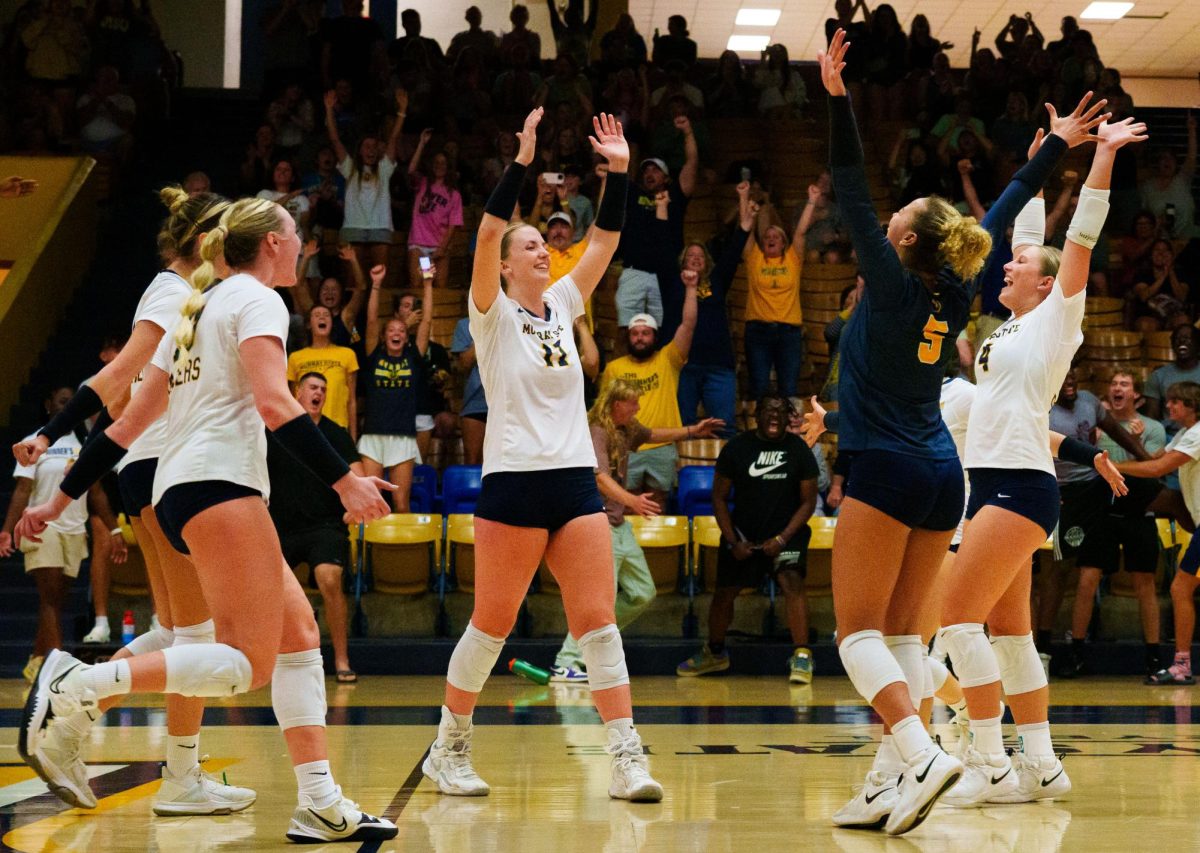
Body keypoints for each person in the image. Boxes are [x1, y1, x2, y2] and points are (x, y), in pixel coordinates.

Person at [13, 196, 397, 843]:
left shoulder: (195, 310)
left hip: (180, 488)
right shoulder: (255, 301)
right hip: (220, 485)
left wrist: (57, 499)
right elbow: (277, 402)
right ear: (271, 243)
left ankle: (320, 801)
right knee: (247, 662)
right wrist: (345, 480)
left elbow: (127, 422)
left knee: (299, 631)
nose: (302, 242)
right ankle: (81, 682)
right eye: (295, 232)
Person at [803, 31, 1095, 836]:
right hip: (942, 474)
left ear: (901, 242)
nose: (886, 214)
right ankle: (891, 780)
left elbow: (853, 188)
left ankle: (920, 748)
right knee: (903, 631)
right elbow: (996, 217)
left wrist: (835, 99)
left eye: (897, 216)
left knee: (856, 632)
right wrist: (1049, 156)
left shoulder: (895, 286)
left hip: (889, 468)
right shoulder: (958, 287)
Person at [424, 108, 664, 803]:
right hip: (513, 485)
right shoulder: (490, 312)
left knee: (598, 622)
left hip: (571, 484)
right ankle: (450, 746)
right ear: (505, 265)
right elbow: (490, 230)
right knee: (491, 625)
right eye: (529, 246)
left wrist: (618, 171)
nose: (541, 252)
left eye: (542, 246)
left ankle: (626, 758)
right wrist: (522, 163)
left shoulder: (562, 300)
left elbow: (606, 239)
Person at [8, 188, 265, 817]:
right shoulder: (174, 291)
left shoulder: (201, 296)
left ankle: (119, 743)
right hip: (161, 466)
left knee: (179, 632)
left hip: (158, 467)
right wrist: (50, 432)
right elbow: (120, 375)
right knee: (198, 636)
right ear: (205, 240)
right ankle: (82, 697)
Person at [938, 109, 1146, 808]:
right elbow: (1030, 229)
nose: (1010, 261)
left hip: (1018, 491)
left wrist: (1102, 156)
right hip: (1000, 482)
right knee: (1010, 634)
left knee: (957, 619)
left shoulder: (1059, 315)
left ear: (1046, 281)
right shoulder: (1009, 327)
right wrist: (1043, 157)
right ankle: (1044, 763)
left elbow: (1079, 231)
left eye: (1021, 263)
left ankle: (990, 764)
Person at [552, 380, 722, 681]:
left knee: (643, 592)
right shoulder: (597, 431)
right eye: (632, 403)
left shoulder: (626, 429)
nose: (638, 408)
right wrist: (632, 500)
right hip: (598, 522)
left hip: (620, 526)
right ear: (616, 404)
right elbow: (599, 477)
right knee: (600, 599)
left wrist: (692, 431)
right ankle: (567, 660)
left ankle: (592, 643)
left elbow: (654, 435)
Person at [677, 394, 819, 683]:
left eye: (781, 412)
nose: (774, 416)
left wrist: (782, 539)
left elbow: (808, 502)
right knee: (723, 593)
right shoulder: (737, 448)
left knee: (791, 581)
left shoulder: (799, 450)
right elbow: (718, 497)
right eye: (768, 410)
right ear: (756, 415)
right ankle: (715, 653)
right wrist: (733, 541)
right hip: (743, 536)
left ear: (789, 417)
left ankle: (802, 656)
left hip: (786, 535)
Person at [1, 388, 124, 682]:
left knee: (57, 601)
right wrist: (7, 530)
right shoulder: (33, 442)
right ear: (48, 405)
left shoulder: (84, 445)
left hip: (74, 529)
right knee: (51, 598)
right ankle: (58, 674)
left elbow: (95, 492)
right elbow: (22, 490)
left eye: (72, 400)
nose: (68, 403)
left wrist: (115, 528)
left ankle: (36, 658)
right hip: (43, 529)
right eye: (62, 400)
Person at [1071, 370, 1167, 680]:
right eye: (1113, 383)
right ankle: (1076, 652)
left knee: (1145, 582)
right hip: (1102, 511)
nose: (1117, 388)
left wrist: (1133, 443)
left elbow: (1153, 471)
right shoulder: (1095, 426)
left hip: (1138, 512)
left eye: (1124, 384)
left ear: (1137, 395)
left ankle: (1153, 656)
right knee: (1087, 579)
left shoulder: (1152, 428)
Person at [268, 372, 362, 683]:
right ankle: (261, 658)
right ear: (297, 392)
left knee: (329, 576)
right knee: (262, 585)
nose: (318, 393)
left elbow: (358, 476)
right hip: (280, 529)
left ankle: (342, 659)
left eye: (323, 389)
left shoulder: (336, 435)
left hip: (325, 527)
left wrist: (354, 506)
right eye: (312, 387)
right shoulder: (274, 431)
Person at [1115, 382, 1200, 685]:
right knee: (1181, 589)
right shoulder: (1183, 434)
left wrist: (1110, 465)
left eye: (1177, 402)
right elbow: (1151, 461)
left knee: (1180, 589)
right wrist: (1132, 444)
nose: (1169, 406)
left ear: (1192, 405)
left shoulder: (1197, 434)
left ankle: (1182, 664)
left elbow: (1157, 470)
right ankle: (1182, 664)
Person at [665, 182, 756, 437]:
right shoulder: (673, 282)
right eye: (690, 255)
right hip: (684, 366)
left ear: (707, 263)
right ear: (682, 261)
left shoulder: (717, 280)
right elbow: (666, 239)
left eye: (700, 256)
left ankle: (725, 476)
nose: (695, 258)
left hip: (718, 366)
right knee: (682, 427)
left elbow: (737, 244)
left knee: (724, 427)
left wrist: (743, 198)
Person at [599, 282, 699, 513]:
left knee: (658, 503)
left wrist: (692, 287)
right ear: (628, 337)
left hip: (662, 445)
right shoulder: (614, 368)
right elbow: (606, 411)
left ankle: (657, 550)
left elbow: (688, 325)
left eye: (645, 333)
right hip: (626, 447)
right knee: (624, 503)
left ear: (654, 336)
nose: (640, 338)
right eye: (635, 334)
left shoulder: (668, 360)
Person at [358, 264, 432, 511]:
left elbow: (427, 321)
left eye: (401, 330)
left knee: (401, 503)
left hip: (403, 436)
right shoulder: (374, 356)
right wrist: (376, 284)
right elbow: (370, 320)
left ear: (406, 336)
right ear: (383, 336)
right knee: (373, 502)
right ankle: (370, 550)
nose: (396, 333)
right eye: (391, 330)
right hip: (372, 436)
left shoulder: (413, 357)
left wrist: (428, 283)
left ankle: (407, 550)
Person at [614, 126, 698, 328]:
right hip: (634, 270)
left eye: (656, 169)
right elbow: (619, 173)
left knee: (665, 329)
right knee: (626, 328)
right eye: (646, 170)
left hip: (667, 274)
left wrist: (687, 132)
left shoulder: (676, 195)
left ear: (667, 177)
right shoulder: (634, 194)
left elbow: (692, 162)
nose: (649, 173)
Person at [324, 87, 406, 271]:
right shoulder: (350, 167)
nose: (370, 150)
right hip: (353, 226)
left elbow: (393, 139)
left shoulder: (384, 169)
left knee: (378, 277)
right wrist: (329, 109)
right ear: (359, 150)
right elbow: (335, 139)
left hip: (381, 226)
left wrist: (402, 112)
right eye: (366, 146)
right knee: (354, 280)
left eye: (374, 147)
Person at [742, 194, 807, 399]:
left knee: (788, 390)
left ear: (783, 243)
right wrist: (743, 197)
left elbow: (801, 232)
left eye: (776, 237)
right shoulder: (755, 259)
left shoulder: (792, 259)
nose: (771, 239)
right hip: (758, 332)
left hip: (789, 333)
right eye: (767, 237)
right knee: (760, 388)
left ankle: (789, 430)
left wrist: (812, 201)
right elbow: (745, 231)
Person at [287, 306, 359, 436]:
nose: (322, 317)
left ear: (332, 322)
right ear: (309, 324)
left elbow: (352, 401)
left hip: (338, 428)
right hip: (306, 429)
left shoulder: (347, 354)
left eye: (326, 315)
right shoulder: (295, 358)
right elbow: (293, 400)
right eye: (317, 315)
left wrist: (352, 437)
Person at [408, 129, 464, 290]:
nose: (440, 166)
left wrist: (442, 248)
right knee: (420, 285)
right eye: (436, 163)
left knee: (439, 288)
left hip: (439, 247)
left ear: (448, 167)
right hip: (420, 245)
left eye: (443, 163)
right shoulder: (422, 184)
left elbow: (453, 225)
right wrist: (421, 144)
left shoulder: (454, 194)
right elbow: (411, 170)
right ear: (432, 165)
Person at [1139, 114, 1195, 240]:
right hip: (1159, 241)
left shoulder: (1182, 180)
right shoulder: (1148, 187)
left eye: (1170, 158)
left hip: (1186, 239)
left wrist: (1192, 129)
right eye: (1163, 158)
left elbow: (1191, 157)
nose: (1167, 162)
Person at [1143, 325, 1200, 432]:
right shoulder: (1158, 376)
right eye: (1178, 339)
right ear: (1172, 345)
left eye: (1187, 338)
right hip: (1169, 435)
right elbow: (1151, 418)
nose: (1182, 341)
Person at [451, 317, 487, 466]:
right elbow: (463, 364)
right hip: (475, 402)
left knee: (502, 463)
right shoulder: (465, 324)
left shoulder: (508, 319)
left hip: (506, 402)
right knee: (472, 462)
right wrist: (483, 334)